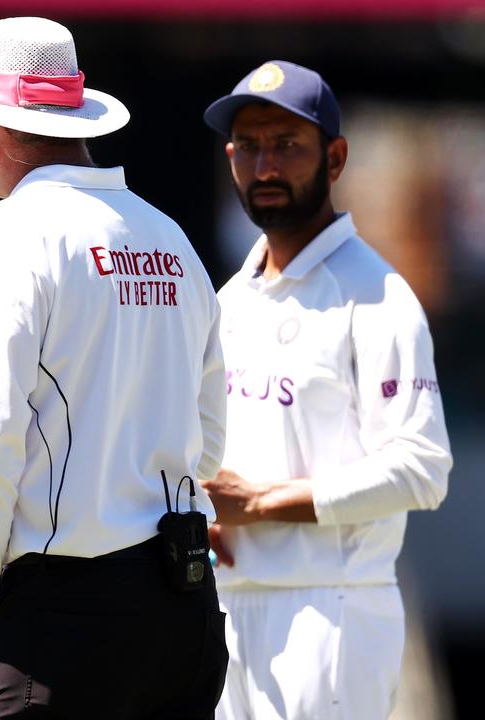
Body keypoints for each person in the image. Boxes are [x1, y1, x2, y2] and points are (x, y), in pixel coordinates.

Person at [0, 17, 229, 717]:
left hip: (59, 623)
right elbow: (210, 438)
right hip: (182, 614)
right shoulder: (169, 235)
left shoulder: (9, 231)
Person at [200, 60, 452, 720]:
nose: (266, 167)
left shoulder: (378, 298)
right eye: (250, 147)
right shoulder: (227, 302)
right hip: (229, 608)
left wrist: (267, 505)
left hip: (331, 609)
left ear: (334, 158)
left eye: (287, 145)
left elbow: (423, 470)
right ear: (230, 159)